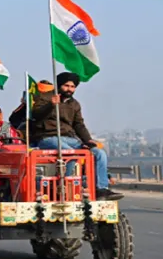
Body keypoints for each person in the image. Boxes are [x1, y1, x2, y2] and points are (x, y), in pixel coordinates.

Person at [32, 72, 122, 200]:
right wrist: (50, 105)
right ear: (59, 85)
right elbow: (35, 115)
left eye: (72, 87)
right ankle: (62, 186)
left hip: (70, 138)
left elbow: (79, 124)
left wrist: (88, 140)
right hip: (48, 137)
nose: (69, 89)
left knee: (98, 153)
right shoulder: (45, 98)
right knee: (71, 153)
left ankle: (101, 189)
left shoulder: (74, 104)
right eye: (66, 86)